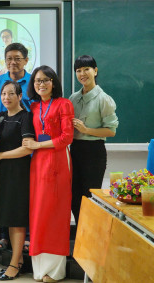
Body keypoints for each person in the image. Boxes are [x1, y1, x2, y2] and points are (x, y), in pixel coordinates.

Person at [22, 66, 74, 283]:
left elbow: (66, 138)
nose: (41, 84)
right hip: (38, 163)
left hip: (59, 159)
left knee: (56, 212)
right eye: (37, 81)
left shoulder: (64, 104)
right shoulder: (33, 106)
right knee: (39, 212)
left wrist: (37, 145)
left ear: (54, 82)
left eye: (45, 80)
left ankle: (54, 271)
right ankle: (39, 269)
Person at [0, 81, 35, 281]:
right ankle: (17, 260)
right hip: (3, 172)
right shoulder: (1, 117)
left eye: (11, 94)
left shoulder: (26, 117)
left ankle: (15, 263)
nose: (6, 97)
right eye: (3, 94)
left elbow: (27, 148)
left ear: (20, 96)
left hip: (18, 172)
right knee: (9, 218)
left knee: (17, 219)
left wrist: (1, 155)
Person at [69, 55, 119, 224]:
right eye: (78, 70)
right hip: (74, 150)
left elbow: (111, 131)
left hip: (93, 152)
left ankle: (90, 243)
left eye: (86, 69)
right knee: (74, 198)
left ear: (95, 71)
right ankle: (80, 241)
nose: (82, 74)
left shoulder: (103, 99)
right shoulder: (73, 98)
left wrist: (86, 130)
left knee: (89, 198)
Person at [0, 43, 32, 113]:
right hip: (4, 123)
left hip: (29, 123)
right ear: (5, 60)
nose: (13, 62)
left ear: (26, 60)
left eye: (17, 59)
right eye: (9, 59)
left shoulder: (34, 82)